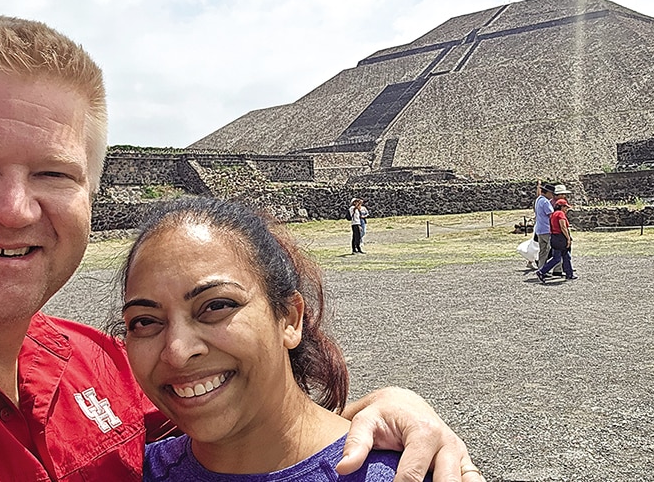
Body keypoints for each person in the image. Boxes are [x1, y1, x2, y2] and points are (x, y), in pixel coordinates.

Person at [0, 16, 482, 481]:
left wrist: (380, 413)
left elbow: (245, 418)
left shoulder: (103, 368)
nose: (13, 208)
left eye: (55, 175)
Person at [119, 198, 441, 481]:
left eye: (217, 306)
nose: (177, 351)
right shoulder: (119, 473)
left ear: (290, 318)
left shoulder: (400, 473)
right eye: (145, 321)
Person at [535, 199, 577, 282]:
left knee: (565, 256)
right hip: (560, 237)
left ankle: (569, 273)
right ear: (561, 207)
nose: (566, 209)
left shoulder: (553, 214)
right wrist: (568, 238)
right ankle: (542, 271)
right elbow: (563, 227)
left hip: (554, 237)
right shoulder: (560, 214)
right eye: (565, 207)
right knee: (557, 258)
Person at [550, 185, 572, 276]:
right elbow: (562, 226)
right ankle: (545, 270)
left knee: (561, 255)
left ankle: (567, 270)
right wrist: (568, 238)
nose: (564, 196)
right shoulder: (558, 211)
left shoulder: (556, 210)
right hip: (559, 234)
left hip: (555, 233)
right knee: (559, 255)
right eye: (562, 194)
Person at [533, 183, 555, 270]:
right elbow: (550, 214)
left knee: (543, 251)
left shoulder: (538, 200)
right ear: (547, 193)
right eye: (551, 193)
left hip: (539, 229)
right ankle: (551, 269)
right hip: (546, 229)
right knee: (553, 249)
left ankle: (541, 268)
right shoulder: (545, 202)